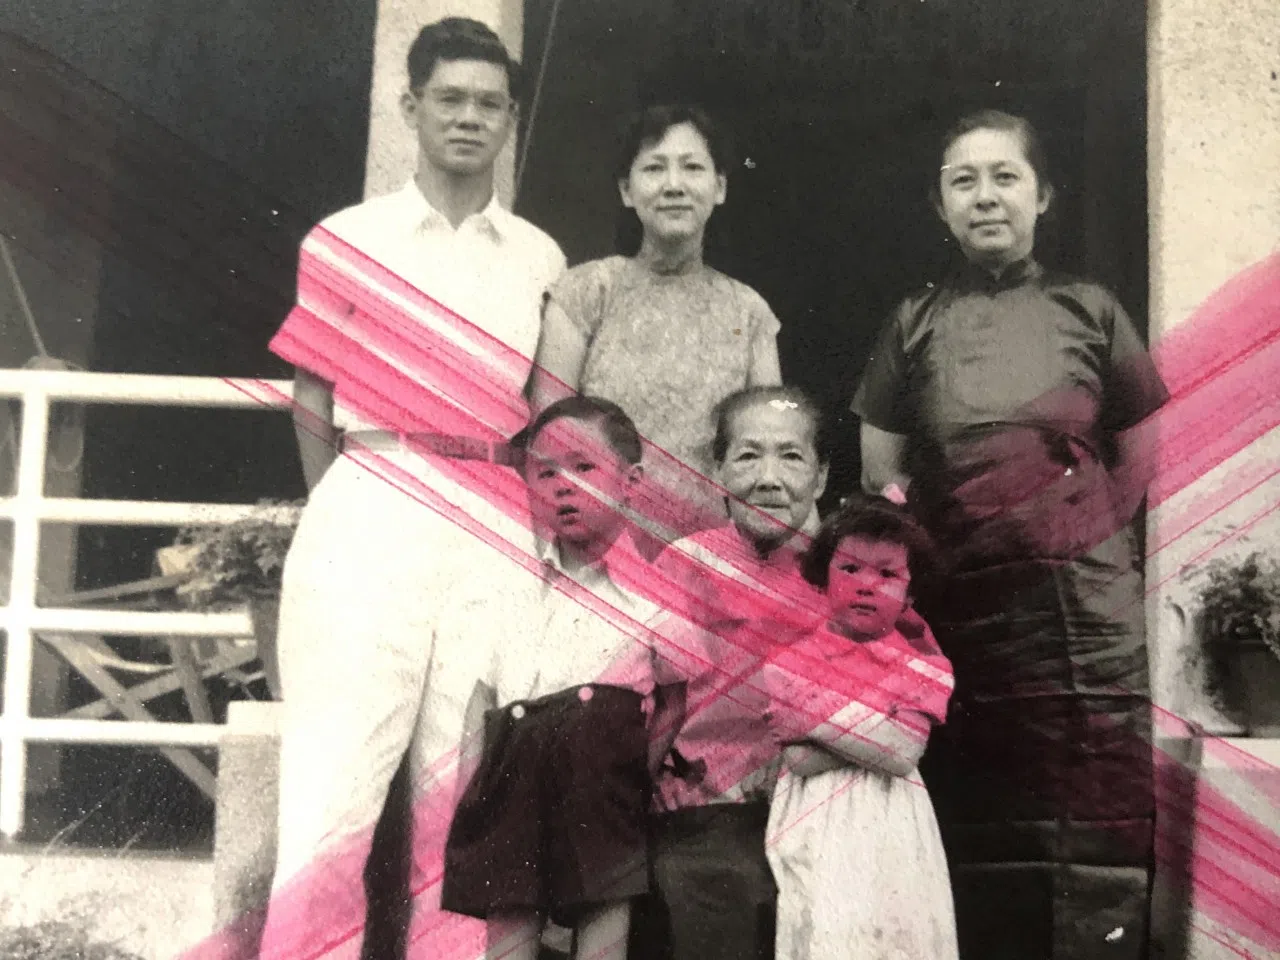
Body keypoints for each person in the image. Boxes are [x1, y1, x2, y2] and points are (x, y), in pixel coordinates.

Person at [260, 17, 566, 957]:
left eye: (488, 104)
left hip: (490, 514)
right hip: (374, 491)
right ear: (410, 108)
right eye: (450, 99)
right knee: (333, 790)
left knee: (463, 795)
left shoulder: (539, 257)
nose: (469, 118)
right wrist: (350, 496)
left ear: (511, 118)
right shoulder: (347, 237)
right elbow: (311, 392)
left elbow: (547, 409)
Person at [852, 109, 1169, 959]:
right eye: (965, 181)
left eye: (1005, 177)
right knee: (970, 809)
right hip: (962, 610)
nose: (986, 197)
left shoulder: (1091, 308)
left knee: (1088, 806)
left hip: (1083, 617)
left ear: (1042, 195)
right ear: (941, 206)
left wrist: (1071, 533)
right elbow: (880, 463)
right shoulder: (914, 321)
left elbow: (1138, 456)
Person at [439, 396, 672, 960]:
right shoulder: (507, 586)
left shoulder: (654, 597)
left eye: (584, 467)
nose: (564, 485)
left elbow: (672, 701)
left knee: (603, 929)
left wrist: (633, 778)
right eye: (546, 472)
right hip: (513, 769)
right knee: (510, 932)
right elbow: (482, 699)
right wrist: (472, 792)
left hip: (604, 780)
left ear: (631, 481)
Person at [634, 385, 829, 960]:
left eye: (791, 456)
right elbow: (650, 699)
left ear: (820, 478)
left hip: (815, 802)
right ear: (717, 471)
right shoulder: (685, 564)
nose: (769, 478)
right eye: (747, 456)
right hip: (707, 811)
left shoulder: (845, 574)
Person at [528, 104, 783, 539]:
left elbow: (768, 449)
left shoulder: (749, 312)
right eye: (654, 168)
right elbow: (552, 438)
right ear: (627, 190)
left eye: (692, 167)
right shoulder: (585, 292)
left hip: (706, 556)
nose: (673, 185)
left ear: (719, 187)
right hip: (597, 547)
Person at [762, 495, 958, 960]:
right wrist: (874, 725)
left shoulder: (923, 666)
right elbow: (800, 760)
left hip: (894, 820)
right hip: (819, 821)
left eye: (887, 574)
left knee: (895, 933)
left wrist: (811, 716)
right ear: (824, 578)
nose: (867, 585)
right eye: (850, 569)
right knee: (825, 930)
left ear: (910, 594)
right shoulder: (793, 660)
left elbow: (903, 752)